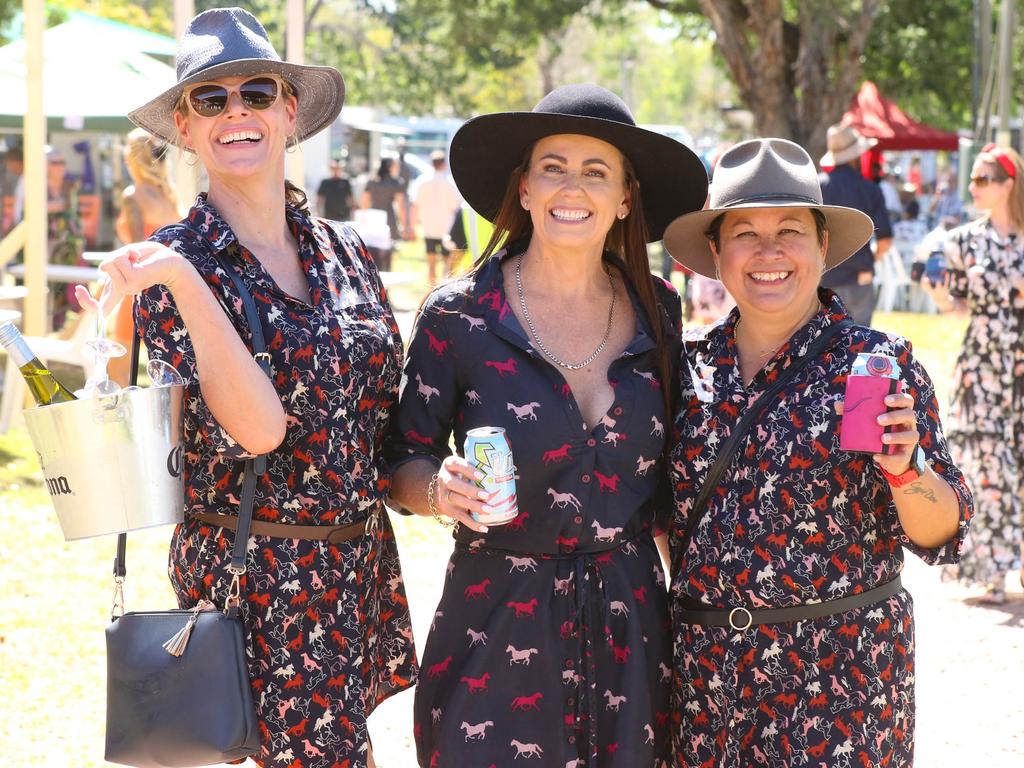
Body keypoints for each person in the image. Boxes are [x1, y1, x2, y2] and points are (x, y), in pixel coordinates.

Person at [79, 9, 416, 767]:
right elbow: (258, 431)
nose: (237, 111)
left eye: (257, 93)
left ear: (288, 113)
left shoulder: (346, 251)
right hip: (256, 579)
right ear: (184, 127)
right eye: (210, 99)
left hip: (352, 572)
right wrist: (185, 279)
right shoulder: (171, 263)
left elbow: (379, 421)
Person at [386, 83, 708, 767]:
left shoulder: (663, 315)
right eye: (553, 167)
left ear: (625, 198)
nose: (573, 187)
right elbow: (400, 459)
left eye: (597, 172)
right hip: (494, 618)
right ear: (525, 189)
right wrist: (441, 492)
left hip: (632, 625)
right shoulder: (458, 316)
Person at [661, 138, 972, 767]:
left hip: (843, 682)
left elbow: (941, 530)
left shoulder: (877, 364)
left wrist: (904, 471)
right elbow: (662, 521)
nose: (769, 251)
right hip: (709, 683)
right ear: (716, 252)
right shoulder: (684, 371)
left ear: (823, 246)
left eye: (791, 230)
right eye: (744, 231)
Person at [926, 143, 1024, 604]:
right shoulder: (963, 239)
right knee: (985, 464)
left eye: (983, 179)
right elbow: (956, 305)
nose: (973, 186)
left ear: (1009, 184)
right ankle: (989, 571)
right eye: (973, 178)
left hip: (1019, 359)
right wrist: (939, 295)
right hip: (983, 360)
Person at [108, 128, 180, 385]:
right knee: (169, 370)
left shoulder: (133, 196)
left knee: (119, 371)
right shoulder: (169, 197)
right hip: (170, 288)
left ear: (132, 159)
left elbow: (135, 250)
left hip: (137, 285)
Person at [819, 124, 894, 325]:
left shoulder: (818, 188)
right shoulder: (870, 190)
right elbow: (885, 240)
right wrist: (870, 258)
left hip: (825, 280)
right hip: (861, 276)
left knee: (827, 348)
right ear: (856, 155)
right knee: (860, 346)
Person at [409, 150, 461, 285]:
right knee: (447, 263)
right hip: (446, 227)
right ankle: (445, 289)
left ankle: (431, 289)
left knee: (431, 262)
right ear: (444, 164)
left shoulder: (422, 181)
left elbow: (415, 205)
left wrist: (412, 226)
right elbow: (456, 205)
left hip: (428, 225)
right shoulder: (450, 182)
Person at [360, 157, 407, 270]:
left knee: (372, 251)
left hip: (373, 218)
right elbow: (400, 206)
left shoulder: (371, 181)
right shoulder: (396, 183)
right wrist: (404, 225)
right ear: (390, 167)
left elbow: (364, 203)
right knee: (387, 253)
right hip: (388, 218)